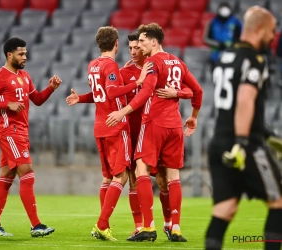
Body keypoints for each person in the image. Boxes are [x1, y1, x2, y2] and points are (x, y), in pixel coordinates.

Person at [106, 23, 203, 242]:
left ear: (153, 41)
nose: (138, 46)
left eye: (141, 41)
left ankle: (147, 226)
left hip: (153, 124)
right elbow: (197, 90)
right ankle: (175, 228)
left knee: (141, 170)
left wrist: (123, 111)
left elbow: (147, 91)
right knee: (173, 177)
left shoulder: (152, 62)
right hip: (176, 125)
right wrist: (193, 117)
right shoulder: (177, 61)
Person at [205, 6, 282, 250]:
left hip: (219, 141)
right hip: (244, 144)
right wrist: (242, 140)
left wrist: (268, 134)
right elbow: (245, 99)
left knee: (224, 209)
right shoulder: (254, 59)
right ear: (259, 29)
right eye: (271, 31)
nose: (272, 37)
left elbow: (231, 107)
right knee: (279, 202)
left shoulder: (225, 56)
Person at [65, 26, 152, 241]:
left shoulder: (93, 64)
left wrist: (81, 98)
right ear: (116, 44)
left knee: (108, 178)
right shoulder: (112, 66)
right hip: (116, 126)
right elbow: (112, 92)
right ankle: (102, 224)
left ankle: (106, 225)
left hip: (99, 127)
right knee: (121, 176)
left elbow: (101, 93)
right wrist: (137, 82)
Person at [0, 37, 62, 237]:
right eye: (21, 53)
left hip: (21, 133)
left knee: (7, 177)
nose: (25, 57)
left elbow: (37, 100)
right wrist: (5, 104)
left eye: (25, 53)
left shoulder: (25, 76)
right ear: (9, 55)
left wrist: (51, 89)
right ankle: (36, 225)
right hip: (9, 132)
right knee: (27, 172)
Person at [204, 2, 242, 71]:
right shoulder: (212, 22)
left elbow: (241, 37)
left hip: (232, 54)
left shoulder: (236, 22)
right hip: (216, 55)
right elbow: (206, 38)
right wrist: (218, 44)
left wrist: (233, 44)